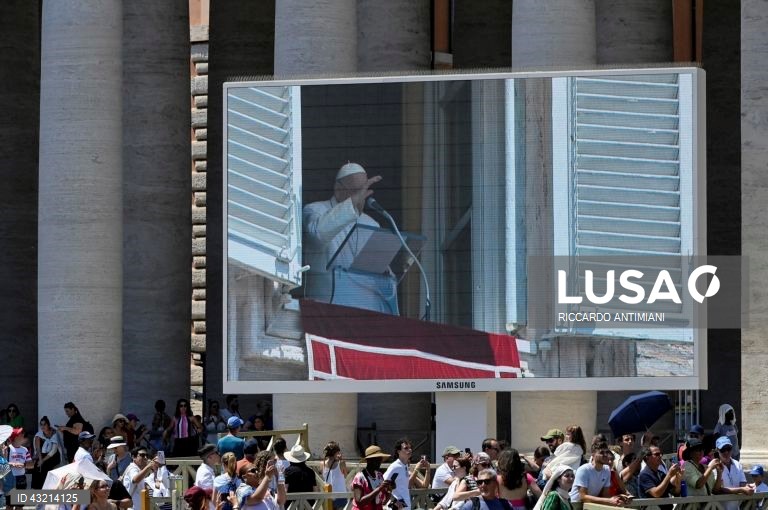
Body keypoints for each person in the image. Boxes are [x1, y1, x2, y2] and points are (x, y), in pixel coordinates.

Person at [303, 162, 399, 315]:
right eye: (357, 191)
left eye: (365, 191)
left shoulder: (371, 224)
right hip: (326, 309)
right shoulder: (315, 210)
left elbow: (384, 279)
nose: (362, 197)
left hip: (365, 310)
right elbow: (318, 235)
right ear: (338, 188)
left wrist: (385, 273)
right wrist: (352, 204)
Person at [569, 441, 629, 507]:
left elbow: (605, 495)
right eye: (602, 453)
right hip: (575, 505)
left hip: (591, 505)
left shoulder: (607, 470)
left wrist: (617, 498)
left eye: (606, 452)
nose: (605, 455)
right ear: (593, 454)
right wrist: (609, 501)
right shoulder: (584, 469)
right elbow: (583, 497)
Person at [383, 438, 431, 508]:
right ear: (398, 451)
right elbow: (382, 484)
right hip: (396, 507)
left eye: (410, 448)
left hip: (405, 506)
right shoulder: (395, 466)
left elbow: (423, 486)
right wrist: (394, 500)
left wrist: (428, 469)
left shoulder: (404, 466)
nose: (410, 450)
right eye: (406, 448)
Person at [713, 436, 753, 510]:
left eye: (728, 449)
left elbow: (743, 485)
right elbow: (718, 490)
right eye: (723, 450)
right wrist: (741, 489)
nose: (726, 452)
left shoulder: (738, 464)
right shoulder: (713, 466)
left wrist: (747, 487)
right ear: (717, 450)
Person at [351, 445, 394, 510]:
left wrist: (390, 489)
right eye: (377, 460)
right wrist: (379, 488)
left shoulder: (379, 476)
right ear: (369, 461)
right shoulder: (360, 478)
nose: (380, 462)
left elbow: (384, 501)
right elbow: (359, 502)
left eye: (380, 459)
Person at [638, 446, 681, 510]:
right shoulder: (644, 475)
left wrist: (678, 477)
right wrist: (669, 475)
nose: (660, 456)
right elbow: (656, 493)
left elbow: (675, 492)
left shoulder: (661, 473)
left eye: (661, 454)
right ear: (647, 458)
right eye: (657, 454)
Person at [32, 415, 62, 489]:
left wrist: (43, 460)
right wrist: (40, 459)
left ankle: (46, 487)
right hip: (42, 455)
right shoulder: (39, 435)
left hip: (53, 456)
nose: (42, 426)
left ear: (48, 425)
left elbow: (53, 451)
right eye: (41, 424)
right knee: (36, 466)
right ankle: (37, 488)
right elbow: (38, 449)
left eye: (44, 424)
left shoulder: (54, 434)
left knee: (45, 466)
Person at [7, 427, 33, 509]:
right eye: (20, 434)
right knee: (9, 506)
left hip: (22, 479)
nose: (23, 435)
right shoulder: (8, 449)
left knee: (19, 506)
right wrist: (13, 464)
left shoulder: (25, 450)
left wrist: (23, 465)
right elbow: (3, 464)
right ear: (15, 437)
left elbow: (31, 465)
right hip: (10, 479)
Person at [322, 441, 348, 510]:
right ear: (336, 453)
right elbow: (345, 475)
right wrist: (341, 459)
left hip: (328, 496)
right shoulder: (341, 463)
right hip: (340, 495)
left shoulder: (323, 463)